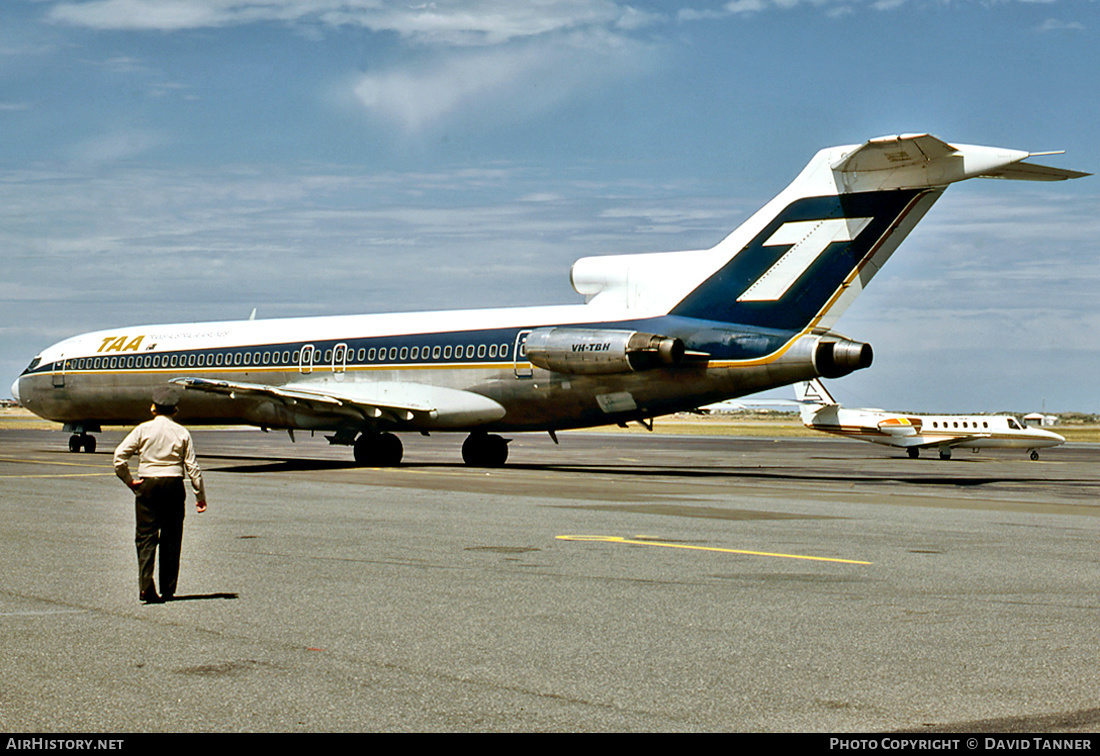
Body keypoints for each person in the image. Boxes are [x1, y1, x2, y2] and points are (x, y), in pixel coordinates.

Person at [114, 385, 207, 604]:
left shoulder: (142, 430)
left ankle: (146, 585)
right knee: (172, 538)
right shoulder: (182, 432)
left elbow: (119, 457)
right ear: (175, 411)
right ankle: (168, 588)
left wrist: (129, 481)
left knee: (146, 537)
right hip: (174, 485)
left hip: (148, 484)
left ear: (153, 408)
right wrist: (199, 494)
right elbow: (193, 467)